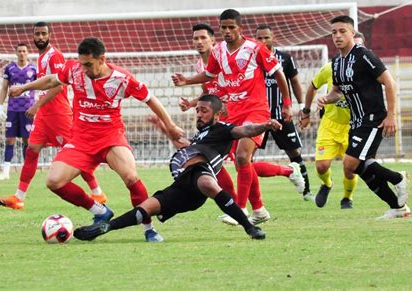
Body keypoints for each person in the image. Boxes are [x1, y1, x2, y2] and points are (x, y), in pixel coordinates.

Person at [9, 37, 183, 242]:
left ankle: (148, 228)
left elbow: (150, 99)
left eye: (89, 65)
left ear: (102, 59)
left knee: (131, 177)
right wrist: (24, 88)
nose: (84, 69)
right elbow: (51, 80)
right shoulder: (75, 69)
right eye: (82, 64)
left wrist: (170, 125)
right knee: (54, 181)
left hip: (110, 137)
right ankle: (99, 210)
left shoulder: (121, 78)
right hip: (81, 138)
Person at [73, 94, 283, 242]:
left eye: (204, 111)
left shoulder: (224, 128)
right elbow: (185, 145)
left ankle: (250, 227)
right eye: (197, 110)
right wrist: (163, 128)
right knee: (147, 208)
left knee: (207, 182)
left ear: (217, 114)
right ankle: (104, 228)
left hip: (202, 173)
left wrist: (264, 125)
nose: (198, 114)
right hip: (183, 183)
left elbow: (245, 129)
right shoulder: (201, 136)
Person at [172, 9, 294, 225]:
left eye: (231, 27)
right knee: (236, 162)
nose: (227, 31)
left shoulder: (255, 48)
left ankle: (240, 209)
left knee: (241, 157)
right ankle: (259, 210)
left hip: (256, 110)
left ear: (240, 28)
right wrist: (186, 81)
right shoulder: (218, 51)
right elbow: (209, 75)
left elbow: (279, 73)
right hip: (232, 112)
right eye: (223, 28)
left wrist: (286, 103)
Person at [0, 22, 106, 210]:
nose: (40, 37)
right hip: (45, 115)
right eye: (37, 34)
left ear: (49, 35)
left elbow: (59, 86)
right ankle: (19, 197)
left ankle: (97, 193)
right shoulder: (40, 58)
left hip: (58, 114)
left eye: (43, 34)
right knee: (31, 151)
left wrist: (36, 105)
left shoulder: (54, 56)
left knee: (75, 155)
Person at [317, 15, 410, 219]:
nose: (338, 36)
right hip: (356, 122)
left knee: (350, 164)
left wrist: (391, 116)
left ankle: (398, 178)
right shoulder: (337, 63)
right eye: (334, 32)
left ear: (352, 33)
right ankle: (397, 207)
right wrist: (325, 98)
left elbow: (389, 82)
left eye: (343, 31)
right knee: (362, 168)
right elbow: (337, 92)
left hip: (373, 119)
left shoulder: (364, 55)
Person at [299, 32, 366, 209]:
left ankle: (347, 198)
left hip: (354, 127)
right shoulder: (331, 68)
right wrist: (306, 112)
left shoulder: (368, 71)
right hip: (330, 124)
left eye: (358, 47)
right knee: (321, 166)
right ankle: (327, 184)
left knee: (350, 169)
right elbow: (313, 86)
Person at [255, 24, 313, 201]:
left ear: (273, 38)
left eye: (266, 37)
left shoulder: (285, 59)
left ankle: (307, 191)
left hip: (282, 115)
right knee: (245, 156)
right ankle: (252, 198)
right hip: (257, 116)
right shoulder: (251, 59)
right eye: (259, 38)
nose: (263, 41)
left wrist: (302, 106)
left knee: (294, 153)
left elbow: (294, 82)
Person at [0, 43, 36, 180]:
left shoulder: (33, 69)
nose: (22, 53)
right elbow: (4, 88)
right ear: (16, 53)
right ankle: (6, 172)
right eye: (19, 51)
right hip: (13, 109)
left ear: (28, 53)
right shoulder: (10, 68)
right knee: (10, 139)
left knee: (27, 141)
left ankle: (27, 169)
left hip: (27, 110)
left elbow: (41, 87)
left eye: (24, 51)